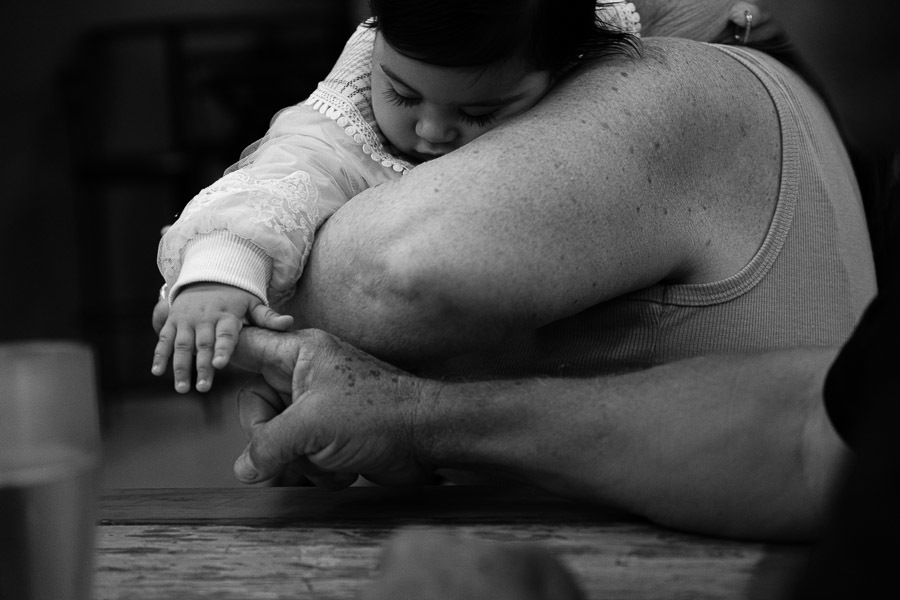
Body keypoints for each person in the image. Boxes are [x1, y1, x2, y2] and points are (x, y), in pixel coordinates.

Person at [151, 0, 644, 394]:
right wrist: (220, 274)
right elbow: (288, 171)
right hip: (389, 387)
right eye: (403, 95)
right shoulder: (349, 118)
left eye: (478, 112)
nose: (430, 130)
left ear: (563, 72)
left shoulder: (603, 79)